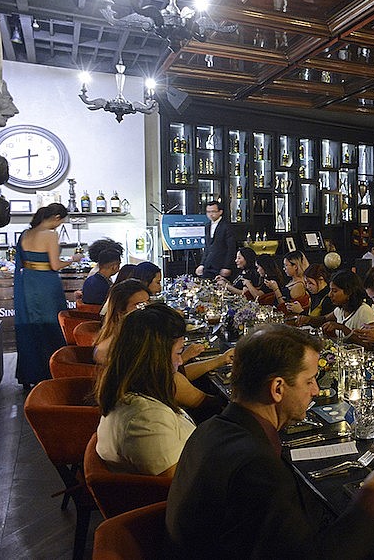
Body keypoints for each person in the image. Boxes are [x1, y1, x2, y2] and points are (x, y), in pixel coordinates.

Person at [166, 324, 374, 558]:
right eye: (309, 381)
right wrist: (372, 494)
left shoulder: (210, 427)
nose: (316, 390)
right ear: (277, 388)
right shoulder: (256, 467)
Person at [94, 280, 233, 414]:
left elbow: (175, 372)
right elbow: (214, 404)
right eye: (140, 305)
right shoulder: (108, 351)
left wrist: (221, 359)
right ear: (120, 312)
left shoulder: (129, 342)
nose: (147, 309)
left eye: (148, 302)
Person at [94, 303, 197, 476]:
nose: (180, 362)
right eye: (179, 353)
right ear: (156, 357)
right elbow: (182, 484)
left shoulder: (124, 391)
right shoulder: (147, 418)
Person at [13, 203, 80, 386]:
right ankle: (50, 372)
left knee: (31, 327)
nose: (60, 225)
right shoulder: (50, 234)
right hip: (46, 284)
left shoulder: (25, 234)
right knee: (51, 326)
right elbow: (55, 265)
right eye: (61, 221)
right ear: (56, 217)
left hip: (27, 284)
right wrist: (73, 260)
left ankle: (30, 374)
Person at [320, 270, 374, 341]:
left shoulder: (364, 311)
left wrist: (342, 328)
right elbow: (324, 319)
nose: (329, 295)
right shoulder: (341, 309)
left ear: (349, 292)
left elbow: (370, 345)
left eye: (334, 291)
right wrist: (308, 319)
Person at [195, 200, 236, 279]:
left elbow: (231, 248)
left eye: (213, 211)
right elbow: (207, 247)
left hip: (221, 266)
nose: (210, 214)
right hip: (208, 265)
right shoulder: (207, 226)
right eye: (208, 212)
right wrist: (202, 264)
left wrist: (227, 266)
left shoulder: (227, 226)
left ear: (220, 212)